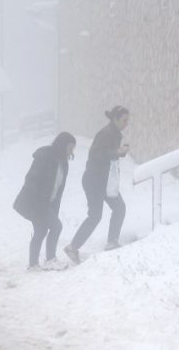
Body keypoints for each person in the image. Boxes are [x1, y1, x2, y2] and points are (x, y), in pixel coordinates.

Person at [64, 106, 130, 264]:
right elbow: (96, 155)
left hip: (104, 181)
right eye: (124, 120)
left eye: (128, 120)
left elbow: (109, 154)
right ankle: (73, 247)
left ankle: (111, 242)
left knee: (119, 207)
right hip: (94, 180)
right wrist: (116, 152)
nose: (126, 123)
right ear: (115, 119)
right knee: (96, 215)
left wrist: (120, 151)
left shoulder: (113, 133)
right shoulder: (106, 133)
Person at [13, 132, 76, 271]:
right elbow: (31, 179)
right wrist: (38, 202)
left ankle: (33, 265)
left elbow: (58, 189)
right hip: (35, 201)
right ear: (62, 145)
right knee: (56, 226)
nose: (71, 151)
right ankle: (50, 259)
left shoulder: (63, 163)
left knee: (41, 230)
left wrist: (53, 209)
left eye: (73, 148)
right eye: (70, 147)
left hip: (48, 203)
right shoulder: (45, 157)